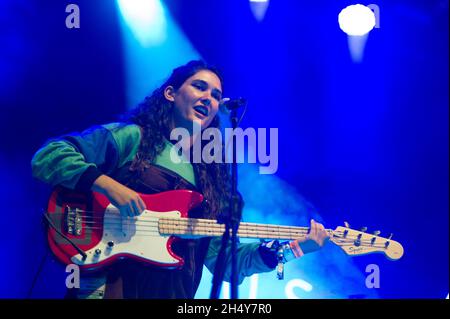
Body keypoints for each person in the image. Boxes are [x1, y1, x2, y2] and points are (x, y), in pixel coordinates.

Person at [31, 60, 329, 299]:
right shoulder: (134, 137)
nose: (209, 99)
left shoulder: (214, 178)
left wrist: (290, 249)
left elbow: (223, 262)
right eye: (199, 87)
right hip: (110, 285)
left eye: (215, 95)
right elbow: (49, 155)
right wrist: (108, 185)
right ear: (171, 94)